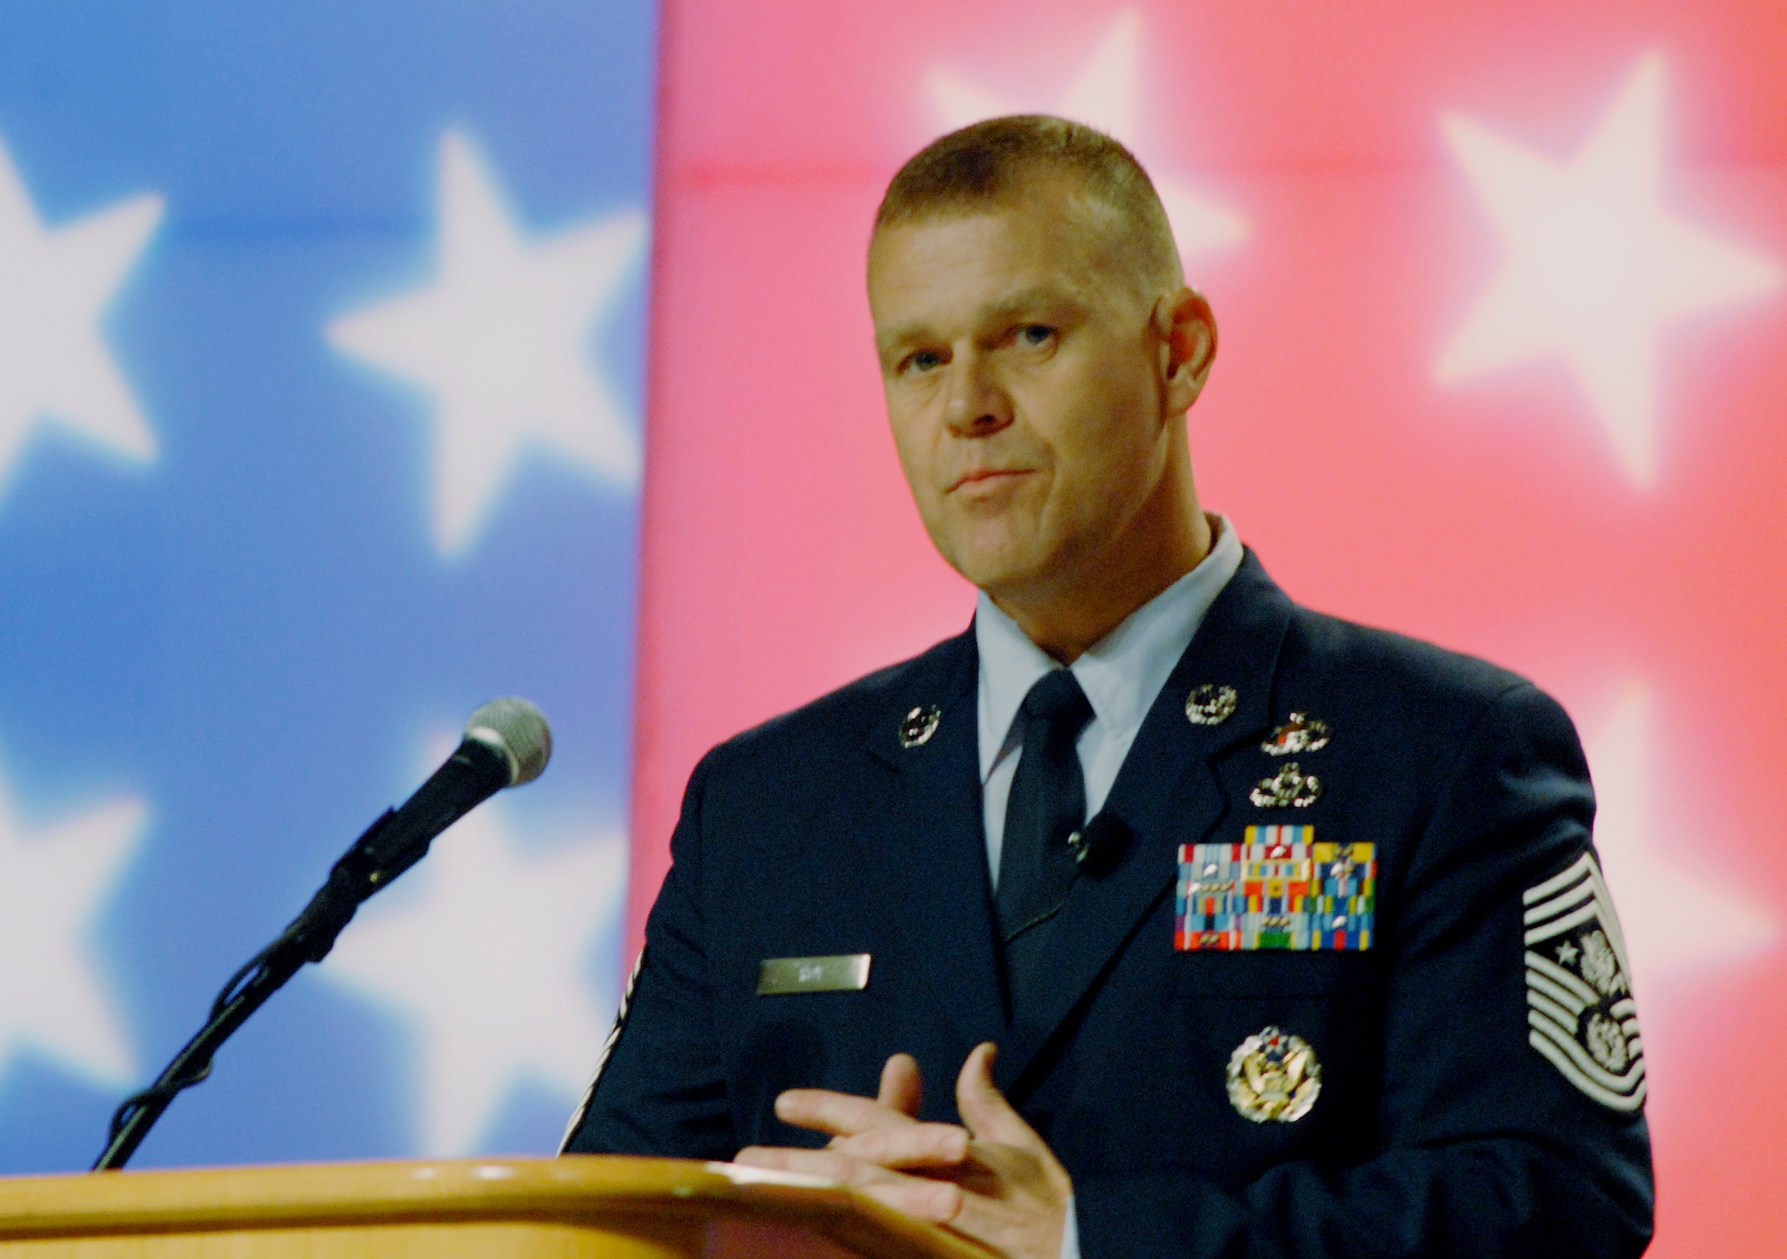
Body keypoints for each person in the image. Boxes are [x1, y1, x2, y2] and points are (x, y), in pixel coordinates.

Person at [561, 116, 1653, 1259]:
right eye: (918, 358)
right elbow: (598, 1221)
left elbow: (1553, 1202)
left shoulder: (1441, 753)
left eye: (1026, 335)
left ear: (1176, 350)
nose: (966, 405)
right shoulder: (763, 805)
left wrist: (1087, 1238)